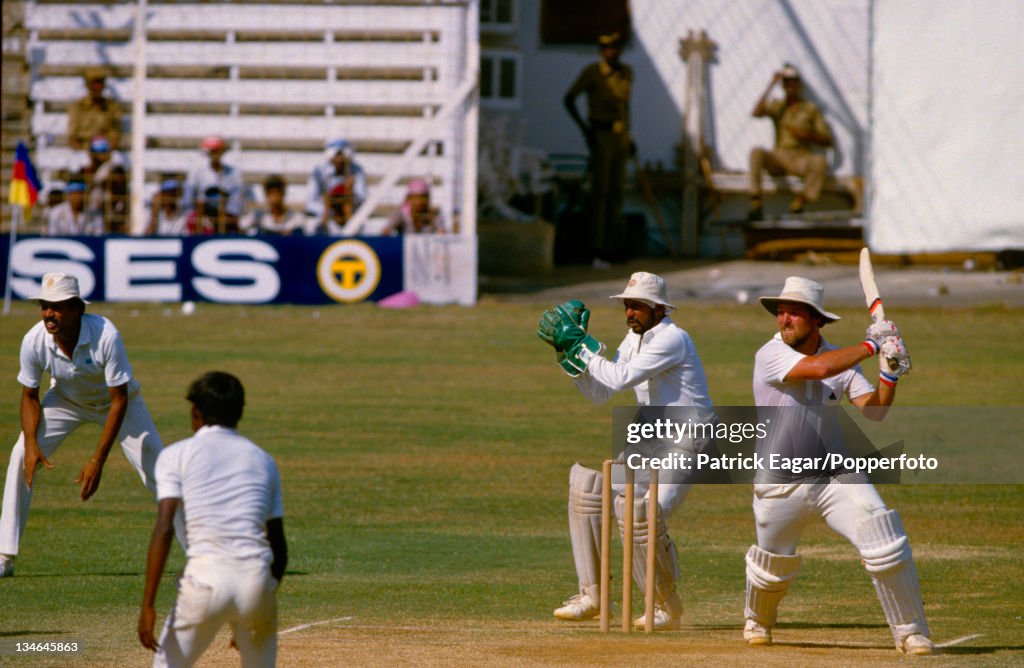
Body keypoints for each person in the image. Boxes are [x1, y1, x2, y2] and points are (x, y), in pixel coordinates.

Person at [743, 276, 931, 655]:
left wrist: (889, 372)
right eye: (781, 313)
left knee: (883, 535)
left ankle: (911, 632)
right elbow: (818, 370)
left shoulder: (841, 361)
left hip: (834, 475)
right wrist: (871, 344)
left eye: (793, 314)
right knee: (770, 571)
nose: (783, 321)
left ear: (816, 320)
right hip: (779, 482)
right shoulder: (771, 354)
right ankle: (757, 619)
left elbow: (874, 411)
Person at [536, 272, 716, 630]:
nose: (630, 312)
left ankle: (666, 605)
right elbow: (601, 392)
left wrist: (582, 344)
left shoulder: (672, 339)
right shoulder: (634, 338)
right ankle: (593, 596)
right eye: (627, 305)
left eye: (638, 306)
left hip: (687, 438)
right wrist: (568, 354)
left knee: (642, 513)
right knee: (588, 489)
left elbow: (619, 378)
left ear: (659, 308)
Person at [0, 273, 182, 578]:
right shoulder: (34, 340)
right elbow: (29, 395)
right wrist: (32, 443)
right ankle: (4, 555)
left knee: (158, 466)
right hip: (66, 400)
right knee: (20, 456)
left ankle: (201, 552)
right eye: (45, 306)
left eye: (56, 306)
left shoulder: (106, 335)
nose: (48, 313)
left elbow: (119, 399)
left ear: (76, 308)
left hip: (117, 404)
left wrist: (98, 459)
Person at [138, 371, 287, 667]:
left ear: (196, 412)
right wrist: (253, 608)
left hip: (205, 583)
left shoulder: (176, 455)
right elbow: (279, 552)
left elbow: (165, 527)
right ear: (240, 411)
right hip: (255, 583)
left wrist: (148, 605)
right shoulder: (264, 461)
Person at [563, 31, 633, 270]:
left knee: (617, 193)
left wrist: (629, 136)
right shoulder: (593, 73)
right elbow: (569, 99)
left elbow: (625, 106)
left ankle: (612, 248)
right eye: (607, 48)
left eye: (616, 47)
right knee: (600, 193)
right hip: (600, 134)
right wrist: (586, 130)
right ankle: (596, 249)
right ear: (601, 51)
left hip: (619, 136)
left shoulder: (626, 73)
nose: (612, 52)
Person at [748, 64, 833, 220]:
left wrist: (807, 135)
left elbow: (828, 140)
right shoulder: (778, 105)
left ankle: (800, 203)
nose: (790, 86)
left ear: (799, 84)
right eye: (786, 82)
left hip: (800, 157)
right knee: (756, 152)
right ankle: (756, 202)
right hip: (779, 155)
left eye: (793, 81)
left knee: (820, 162)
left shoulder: (809, 108)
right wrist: (771, 85)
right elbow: (756, 112)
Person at [183, 136, 245, 234]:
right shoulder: (197, 171)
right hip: (202, 216)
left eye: (216, 150)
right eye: (212, 151)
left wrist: (226, 215)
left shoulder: (233, 172)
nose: (214, 154)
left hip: (225, 217)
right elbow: (188, 199)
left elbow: (236, 203)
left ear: (221, 151)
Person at [306, 138, 367, 226]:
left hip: (349, 214)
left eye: (342, 156)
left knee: (362, 224)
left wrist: (348, 196)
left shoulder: (357, 170)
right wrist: (331, 212)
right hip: (327, 214)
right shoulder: (319, 171)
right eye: (337, 155)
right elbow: (311, 202)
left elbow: (362, 197)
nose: (340, 160)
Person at [67, 66, 123, 152]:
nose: (97, 87)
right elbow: (72, 139)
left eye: (100, 82)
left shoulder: (112, 107)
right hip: (84, 153)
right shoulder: (77, 107)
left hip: (105, 152)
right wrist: (88, 149)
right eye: (93, 83)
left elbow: (115, 138)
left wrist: (101, 149)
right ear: (87, 85)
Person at [240, 174, 307, 236]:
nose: (275, 197)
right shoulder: (258, 217)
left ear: (283, 194)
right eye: (271, 193)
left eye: (278, 193)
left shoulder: (295, 219)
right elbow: (241, 227)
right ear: (266, 195)